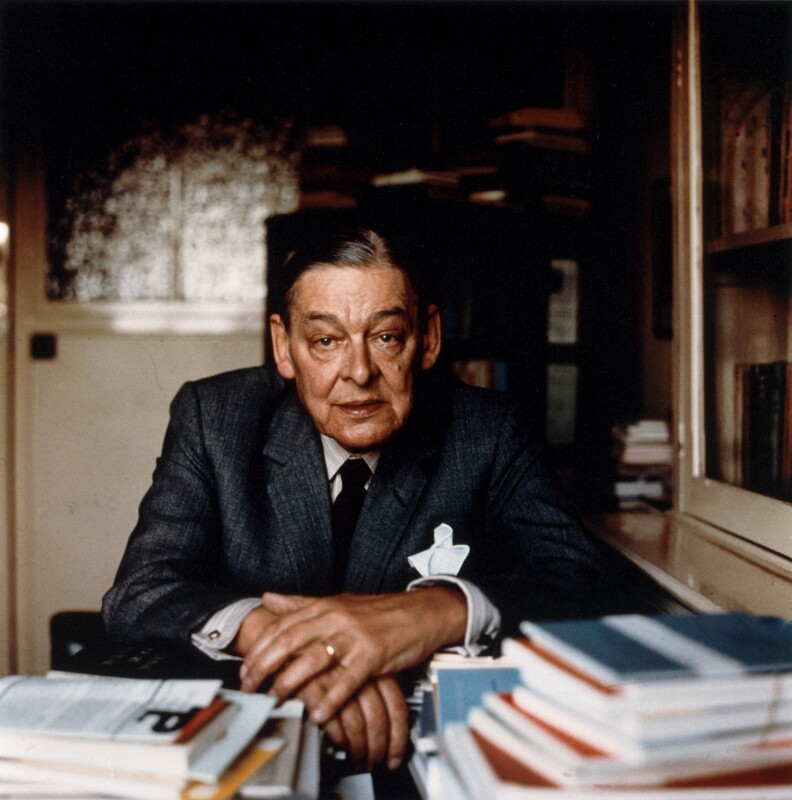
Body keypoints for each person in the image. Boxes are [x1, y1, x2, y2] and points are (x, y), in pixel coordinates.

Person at [102, 227, 615, 774]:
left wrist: (431, 612)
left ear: (428, 338)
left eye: (386, 337)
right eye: (326, 341)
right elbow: (140, 589)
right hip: (254, 744)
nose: (359, 372)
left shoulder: (488, 431)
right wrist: (293, 644)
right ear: (284, 346)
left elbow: (582, 582)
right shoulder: (215, 418)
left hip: (414, 757)